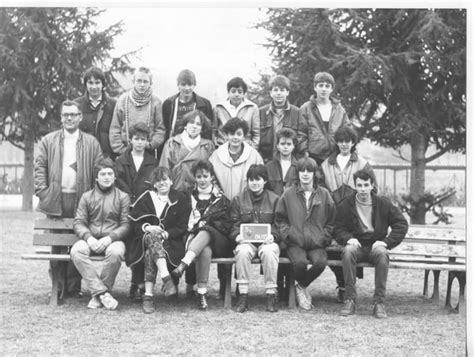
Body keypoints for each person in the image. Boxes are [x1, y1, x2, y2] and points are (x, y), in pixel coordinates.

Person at [34, 100, 103, 298]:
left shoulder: (91, 142)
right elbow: (40, 168)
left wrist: (93, 198)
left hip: (81, 198)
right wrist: (43, 192)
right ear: (61, 117)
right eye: (65, 115)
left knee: (77, 241)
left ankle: (74, 287)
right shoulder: (49, 141)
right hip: (56, 199)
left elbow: (98, 170)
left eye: (73, 114)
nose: (69, 118)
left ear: (80, 117)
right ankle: (58, 286)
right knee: (57, 242)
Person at [336, 169, 408, 318]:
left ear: (372, 185)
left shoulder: (383, 204)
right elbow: (337, 228)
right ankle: (349, 299)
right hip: (357, 245)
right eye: (359, 185)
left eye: (366, 185)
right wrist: (348, 239)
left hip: (376, 246)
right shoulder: (346, 204)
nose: (362, 189)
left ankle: (379, 303)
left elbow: (401, 224)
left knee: (382, 254)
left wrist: (386, 242)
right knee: (347, 252)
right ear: (355, 186)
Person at [320, 126, 377, 302]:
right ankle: (342, 283)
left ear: (353, 143)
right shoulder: (326, 164)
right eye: (341, 141)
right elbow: (321, 190)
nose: (344, 144)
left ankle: (348, 287)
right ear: (336, 142)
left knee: (351, 249)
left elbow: (373, 189)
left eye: (348, 141)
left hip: (355, 217)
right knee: (330, 250)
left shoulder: (362, 163)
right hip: (332, 216)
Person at [127, 166, 191, 314]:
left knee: (151, 252)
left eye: (165, 180)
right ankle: (166, 278)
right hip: (144, 240)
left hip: (171, 242)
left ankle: (148, 297)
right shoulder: (146, 197)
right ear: (154, 184)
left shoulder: (179, 199)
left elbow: (182, 227)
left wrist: (165, 234)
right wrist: (147, 227)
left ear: (171, 181)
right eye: (158, 181)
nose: (162, 183)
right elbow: (134, 223)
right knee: (151, 237)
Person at [170, 160, 232, 310]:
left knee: (206, 230)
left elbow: (226, 224)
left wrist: (207, 225)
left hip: (219, 241)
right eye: (199, 176)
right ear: (195, 178)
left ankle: (184, 263)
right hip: (193, 240)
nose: (202, 180)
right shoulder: (187, 196)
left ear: (211, 177)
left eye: (205, 176)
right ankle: (202, 293)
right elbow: (182, 219)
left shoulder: (221, 199)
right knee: (204, 250)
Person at [275, 157, 336, 310]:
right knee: (300, 263)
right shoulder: (288, 194)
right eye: (302, 171)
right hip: (295, 242)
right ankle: (301, 291)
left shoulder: (324, 194)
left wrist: (324, 236)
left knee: (320, 263)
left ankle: (301, 286)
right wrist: (288, 234)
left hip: (317, 242)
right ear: (298, 173)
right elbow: (280, 218)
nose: (305, 174)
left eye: (309, 171)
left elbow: (332, 220)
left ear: (315, 173)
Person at [70, 158, 130, 310]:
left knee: (115, 252)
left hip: (113, 239)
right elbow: (79, 222)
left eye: (110, 173)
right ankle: (103, 294)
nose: (107, 177)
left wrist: (110, 238)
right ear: (96, 177)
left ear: (115, 176)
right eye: (103, 174)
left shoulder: (122, 197)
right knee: (76, 251)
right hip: (91, 238)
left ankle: (98, 295)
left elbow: (126, 224)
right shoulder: (87, 197)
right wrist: (88, 238)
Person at [115, 122, 159, 301]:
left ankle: (138, 284)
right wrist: (130, 200)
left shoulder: (152, 161)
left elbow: (154, 184)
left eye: (143, 139)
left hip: (144, 210)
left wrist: (141, 202)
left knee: (142, 241)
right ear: (130, 140)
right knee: (131, 241)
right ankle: (136, 281)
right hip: (125, 208)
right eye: (136, 139)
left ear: (147, 141)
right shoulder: (121, 160)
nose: (139, 142)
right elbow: (119, 181)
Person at [229, 165, 281, 313]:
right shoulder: (238, 199)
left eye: (258, 179)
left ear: (265, 180)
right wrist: (237, 236)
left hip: (268, 242)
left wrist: (274, 236)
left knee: (269, 252)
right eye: (251, 179)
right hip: (247, 242)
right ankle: (243, 295)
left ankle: (271, 295)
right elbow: (232, 224)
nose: (254, 183)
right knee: (242, 252)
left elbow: (281, 223)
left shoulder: (275, 199)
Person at [265, 127, 298, 303]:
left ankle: (289, 286)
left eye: (289, 144)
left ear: (294, 146)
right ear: (277, 145)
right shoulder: (269, 166)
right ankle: (277, 284)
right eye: (282, 144)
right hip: (273, 212)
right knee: (275, 245)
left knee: (289, 245)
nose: (285, 147)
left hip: (292, 213)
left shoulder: (299, 166)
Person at [109, 66, 166, 157]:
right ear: (133, 82)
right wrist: (121, 150)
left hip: (148, 153)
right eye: (139, 81)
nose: (142, 85)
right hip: (125, 153)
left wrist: (150, 145)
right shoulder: (123, 100)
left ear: (150, 83)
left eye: (145, 81)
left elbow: (160, 129)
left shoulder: (156, 102)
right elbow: (115, 128)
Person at [299, 72, 351, 165]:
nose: (324, 89)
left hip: (335, 156)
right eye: (321, 85)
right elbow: (301, 133)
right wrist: (304, 151)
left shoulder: (339, 110)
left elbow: (347, 131)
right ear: (315, 87)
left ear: (331, 89)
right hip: (313, 157)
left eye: (327, 86)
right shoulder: (306, 108)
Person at [159, 110, 215, 192]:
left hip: (200, 192)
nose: (194, 126)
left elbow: (212, 172)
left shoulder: (208, 146)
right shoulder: (172, 143)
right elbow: (164, 170)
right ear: (185, 125)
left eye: (198, 124)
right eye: (191, 122)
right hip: (177, 190)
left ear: (202, 129)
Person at [209, 118, 263, 200]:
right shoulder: (216, 155)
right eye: (232, 134)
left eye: (239, 134)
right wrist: (219, 196)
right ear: (227, 135)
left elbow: (260, 179)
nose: (235, 137)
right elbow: (211, 179)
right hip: (222, 205)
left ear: (244, 136)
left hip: (246, 205)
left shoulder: (254, 156)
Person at [74, 66, 117, 160]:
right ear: (85, 84)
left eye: (97, 83)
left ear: (103, 85)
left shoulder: (113, 105)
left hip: (107, 159)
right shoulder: (76, 105)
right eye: (90, 83)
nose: (94, 87)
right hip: (83, 158)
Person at [258, 75, 302, 162]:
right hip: (266, 160)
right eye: (275, 90)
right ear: (271, 92)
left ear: (287, 92)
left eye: (282, 90)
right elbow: (256, 135)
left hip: (289, 160)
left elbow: (300, 136)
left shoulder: (296, 112)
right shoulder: (261, 112)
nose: (279, 93)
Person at [162, 69, 214, 142]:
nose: (187, 88)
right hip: (174, 145)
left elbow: (208, 131)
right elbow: (164, 129)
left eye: (190, 85)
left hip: (195, 146)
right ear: (178, 85)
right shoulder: (168, 104)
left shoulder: (205, 105)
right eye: (183, 84)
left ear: (194, 85)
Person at [214, 77, 260, 148]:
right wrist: (217, 146)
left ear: (244, 93)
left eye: (240, 91)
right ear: (228, 92)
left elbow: (256, 132)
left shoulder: (252, 108)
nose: (236, 94)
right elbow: (214, 130)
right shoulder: (218, 108)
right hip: (223, 147)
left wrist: (253, 149)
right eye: (233, 91)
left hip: (245, 148)